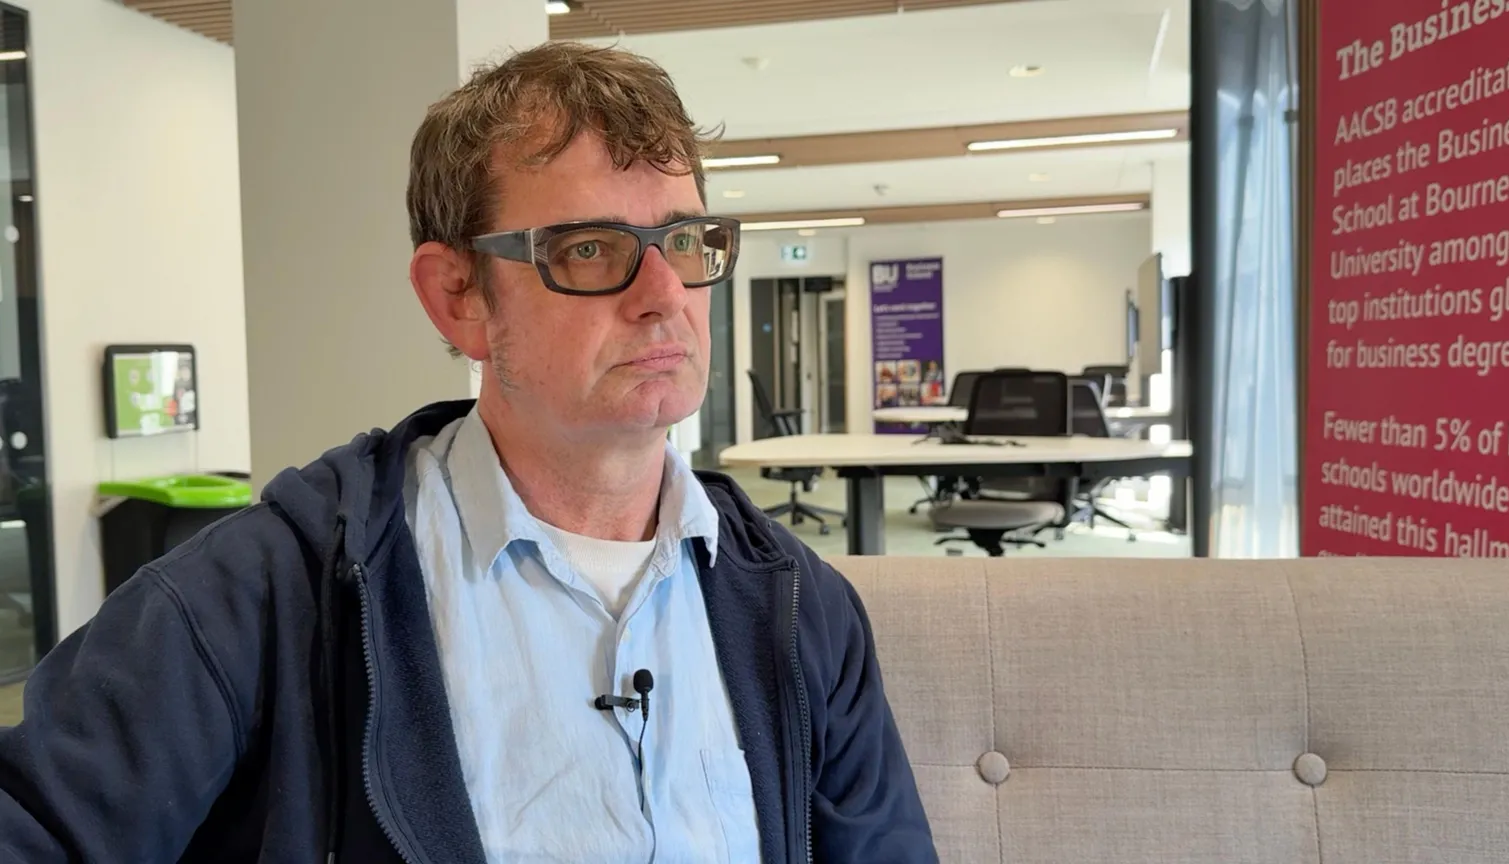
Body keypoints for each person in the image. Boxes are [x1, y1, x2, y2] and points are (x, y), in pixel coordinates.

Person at [0, 41, 935, 864]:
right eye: (589, 250)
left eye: (686, 241)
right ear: (459, 297)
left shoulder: (801, 609)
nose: (663, 295)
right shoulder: (268, 597)